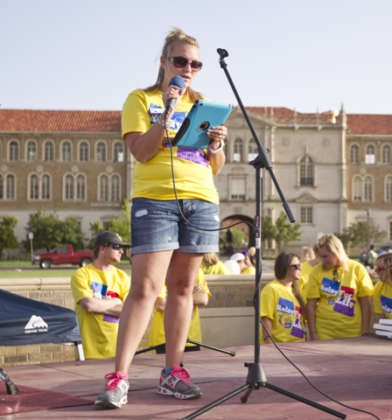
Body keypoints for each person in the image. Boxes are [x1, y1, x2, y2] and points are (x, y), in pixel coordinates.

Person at [95, 28, 228, 409]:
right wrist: (166, 113)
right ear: (165, 61)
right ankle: (119, 377)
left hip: (200, 200)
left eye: (195, 64)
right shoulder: (141, 99)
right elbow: (140, 151)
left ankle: (173, 372)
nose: (188, 69)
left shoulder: (203, 104)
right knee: (145, 288)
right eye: (181, 61)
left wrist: (217, 144)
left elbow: (215, 166)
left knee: (183, 289)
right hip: (155, 200)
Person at [70, 231, 131, 359]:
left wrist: (99, 305)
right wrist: (117, 301)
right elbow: (89, 305)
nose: (121, 251)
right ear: (102, 248)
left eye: (122, 248)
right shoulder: (82, 274)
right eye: (117, 247)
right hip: (88, 351)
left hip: (117, 350)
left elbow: (129, 311)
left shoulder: (123, 277)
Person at [306, 234, 374, 340]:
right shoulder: (316, 272)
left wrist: (365, 332)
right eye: (320, 257)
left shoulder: (357, 269)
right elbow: (311, 305)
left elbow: (366, 303)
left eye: (325, 256)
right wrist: (313, 334)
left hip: (353, 334)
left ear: (337, 252)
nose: (322, 261)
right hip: (324, 333)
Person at [148, 268, 211, 352]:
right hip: (164, 339)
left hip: (192, 338)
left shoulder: (196, 270)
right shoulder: (161, 270)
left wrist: (172, 295)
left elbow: (203, 299)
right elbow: (161, 304)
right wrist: (189, 294)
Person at [260, 252, 307, 344]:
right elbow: (266, 319)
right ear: (285, 267)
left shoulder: (297, 290)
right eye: (296, 266)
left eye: (300, 265)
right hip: (279, 346)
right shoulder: (271, 289)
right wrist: (269, 345)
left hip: (298, 344)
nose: (300, 269)